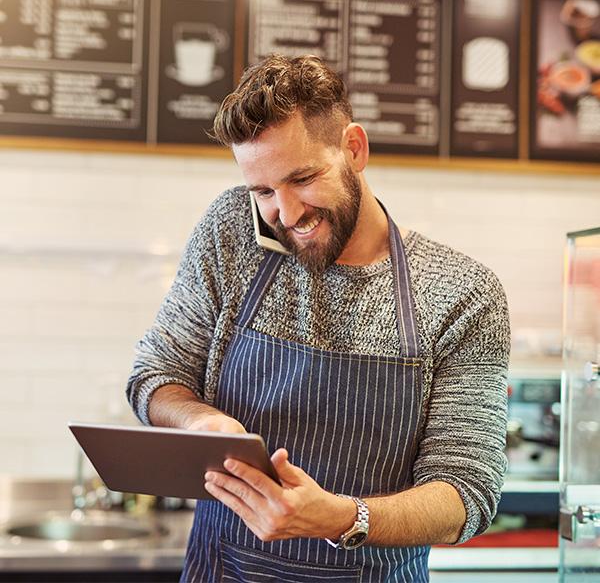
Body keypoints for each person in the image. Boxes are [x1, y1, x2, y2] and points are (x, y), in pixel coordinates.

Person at [127, 54, 510, 582]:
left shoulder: (463, 293)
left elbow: (467, 493)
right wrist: (201, 422)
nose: (286, 214)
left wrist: (345, 517)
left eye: (303, 178)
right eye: (263, 191)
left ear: (354, 148)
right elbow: (155, 375)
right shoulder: (231, 232)